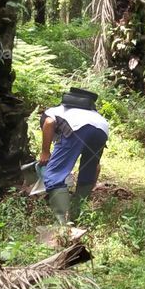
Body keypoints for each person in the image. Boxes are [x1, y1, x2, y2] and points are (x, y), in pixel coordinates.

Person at [38, 88, 109, 224]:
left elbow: (49, 123)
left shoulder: (52, 112)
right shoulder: (93, 114)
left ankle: (62, 224)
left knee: (54, 174)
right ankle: (77, 215)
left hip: (76, 128)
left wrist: (45, 152)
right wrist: (89, 185)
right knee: (89, 168)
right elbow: (96, 167)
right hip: (102, 130)